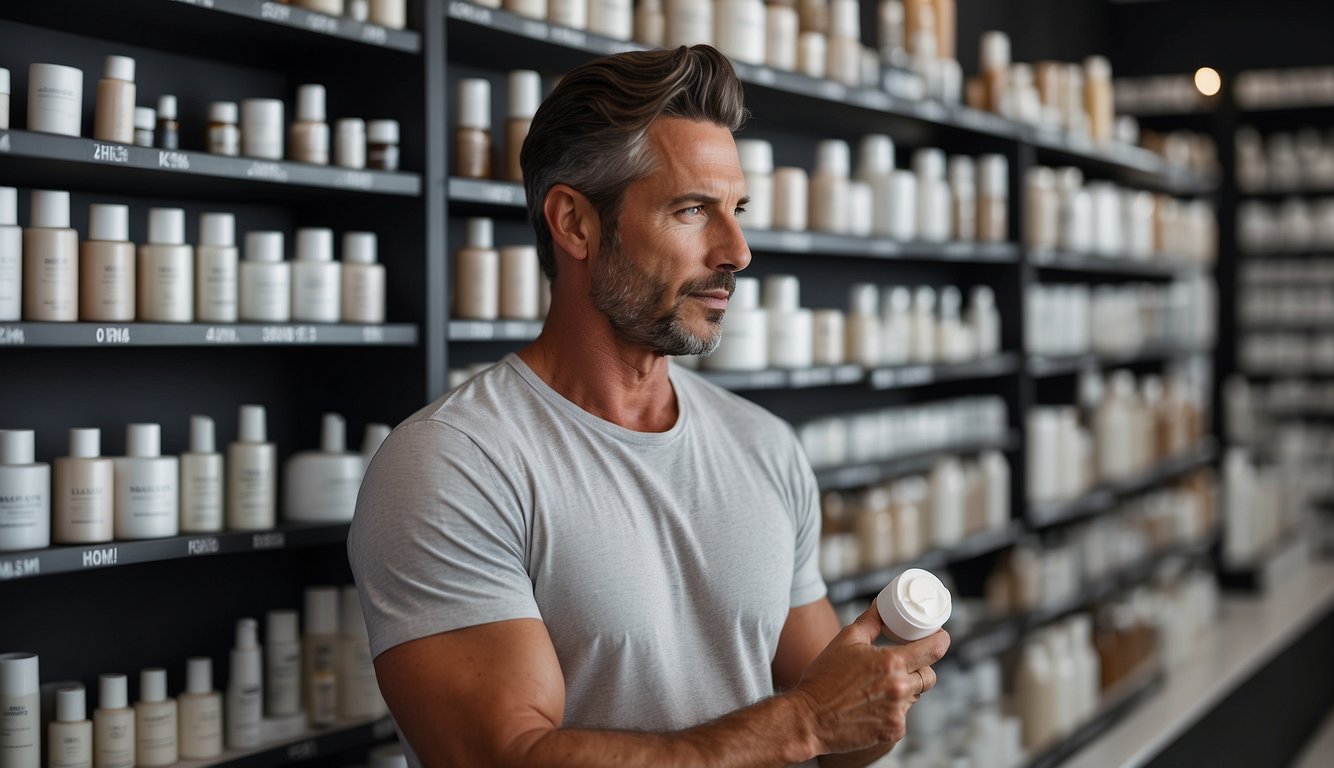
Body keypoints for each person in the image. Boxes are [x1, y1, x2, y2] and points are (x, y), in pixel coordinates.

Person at [347, 44, 949, 768]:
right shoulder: (453, 464)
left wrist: (874, 696)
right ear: (574, 223)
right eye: (693, 210)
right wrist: (809, 722)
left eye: (738, 210)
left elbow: (835, 734)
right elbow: (506, 756)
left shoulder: (763, 446)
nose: (738, 250)